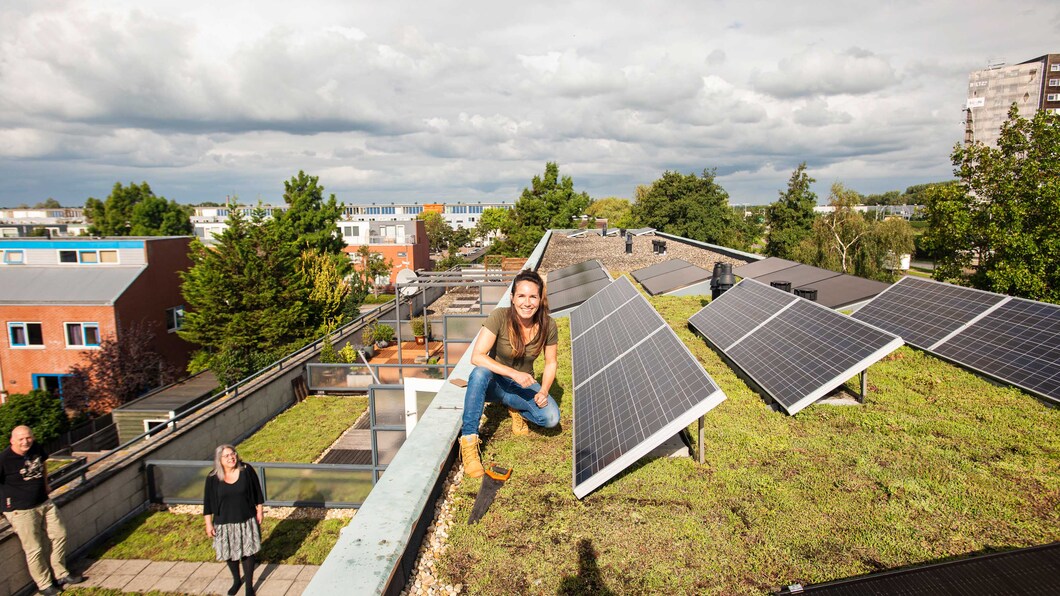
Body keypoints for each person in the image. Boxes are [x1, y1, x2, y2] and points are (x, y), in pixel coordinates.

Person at [460, 269, 561, 477]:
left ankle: (514, 407)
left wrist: (543, 390)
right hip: (494, 384)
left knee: (550, 418)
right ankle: (469, 442)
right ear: (512, 298)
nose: (527, 302)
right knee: (479, 373)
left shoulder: (548, 325)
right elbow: (477, 356)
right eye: (521, 296)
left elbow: (551, 362)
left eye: (533, 296)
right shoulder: (499, 316)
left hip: (521, 386)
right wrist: (513, 374)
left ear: (540, 299)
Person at [1, 426, 84, 596]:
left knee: (60, 534)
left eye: (28, 437)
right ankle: (44, 584)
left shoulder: (36, 448)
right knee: (34, 548)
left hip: (44, 502)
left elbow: (43, 464)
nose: (26, 442)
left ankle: (61, 574)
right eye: (21, 439)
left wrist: (46, 483)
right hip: (20, 510)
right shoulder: (4, 459)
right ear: (12, 441)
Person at [203, 444, 264, 596]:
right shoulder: (213, 478)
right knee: (229, 553)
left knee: (248, 553)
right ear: (219, 460)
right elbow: (208, 502)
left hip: (246, 518)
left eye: (233, 454)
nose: (231, 457)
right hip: (224, 522)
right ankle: (237, 580)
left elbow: (257, 492)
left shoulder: (246, 470)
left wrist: (260, 511)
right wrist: (208, 523)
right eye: (227, 456)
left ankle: (249, 586)